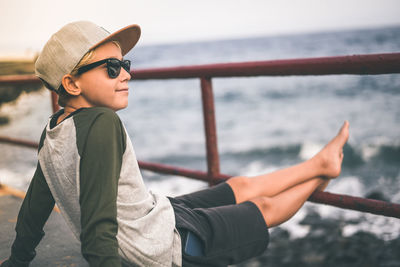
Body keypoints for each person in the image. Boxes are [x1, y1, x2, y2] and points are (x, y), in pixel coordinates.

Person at [0, 21, 349, 267]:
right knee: (264, 209)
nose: (126, 74)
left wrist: (18, 260)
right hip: (161, 249)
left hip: (155, 218)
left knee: (238, 185)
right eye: (111, 67)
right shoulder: (102, 123)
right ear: (71, 84)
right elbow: (97, 229)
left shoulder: (53, 130)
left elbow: (35, 208)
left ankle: (318, 164)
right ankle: (321, 176)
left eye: (125, 64)